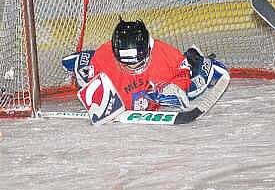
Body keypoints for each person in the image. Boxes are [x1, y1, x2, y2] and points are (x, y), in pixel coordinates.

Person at [63, 18, 229, 116]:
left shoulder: (165, 55)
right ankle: (82, 59)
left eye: (138, 62)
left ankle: (196, 57)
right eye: (127, 64)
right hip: (108, 64)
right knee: (85, 71)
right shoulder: (104, 58)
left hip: (161, 82)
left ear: (148, 51)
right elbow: (92, 84)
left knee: (194, 88)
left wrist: (177, 88)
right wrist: (87, 82)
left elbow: (182, 73)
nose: (133, 67)